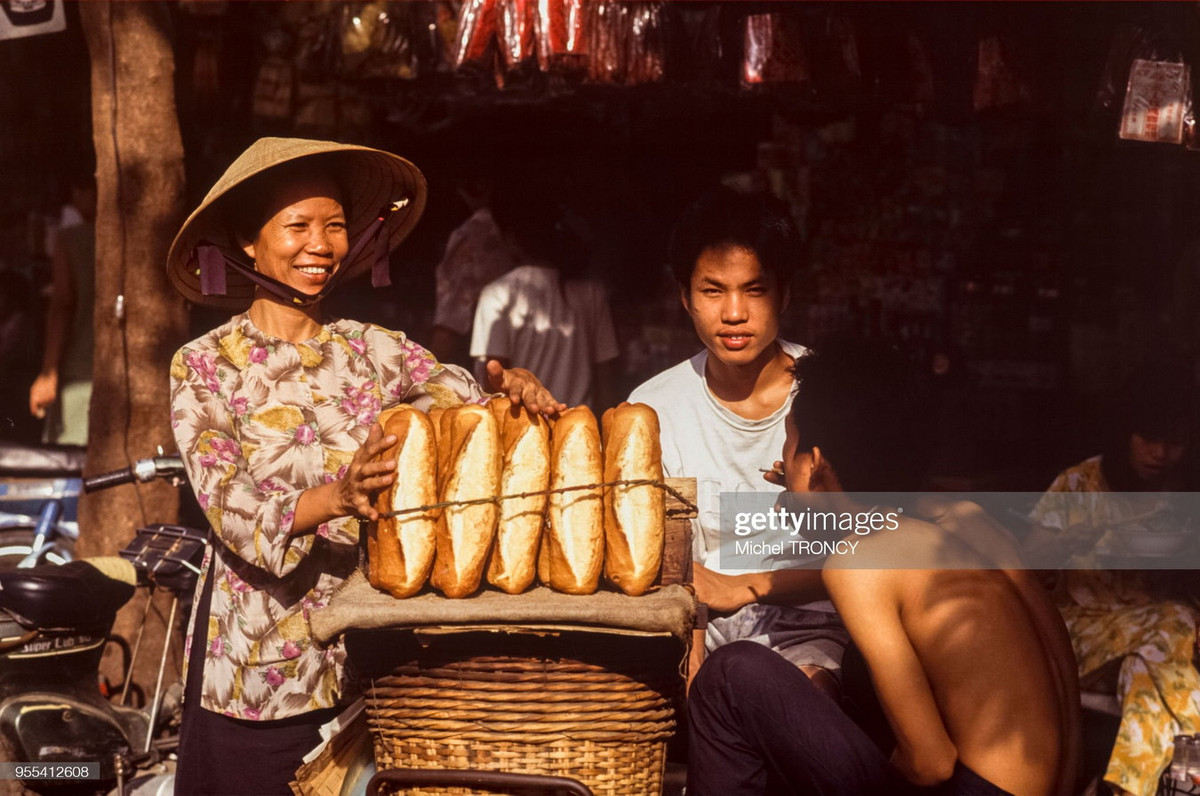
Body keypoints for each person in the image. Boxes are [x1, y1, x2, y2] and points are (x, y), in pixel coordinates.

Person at [165, 137, 562, 795]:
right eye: (297, 226)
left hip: (371, 661)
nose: (319, 245)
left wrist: (509, 391)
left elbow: (463, 402)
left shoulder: (374, 350)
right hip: (261, 668)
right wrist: (339, 498)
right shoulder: (205, 364)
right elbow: (232, 510)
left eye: (335, 225)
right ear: (248, 240)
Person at [687, 340, 1081, 796]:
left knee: (732, 675)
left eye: (789, 447)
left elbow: (930, 763)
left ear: (815, 463)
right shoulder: (965, 521)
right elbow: (1059, 664)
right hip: (1049, 783)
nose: (783, 465)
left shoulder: (859, 562)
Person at [627, 187, 844, 691]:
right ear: (685, 297)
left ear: (785, 294)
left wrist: (742, 585)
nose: (733, 313)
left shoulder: (831, 394)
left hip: (824, 625)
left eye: (755, 290)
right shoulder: (653, 409)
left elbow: (883, 545)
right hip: (701, 632)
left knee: (804, 699)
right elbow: (673, 568)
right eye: (712, 291)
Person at [1026, 361, 1199, 796]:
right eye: (1149, 438)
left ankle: (1122, 788)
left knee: (1151, 667)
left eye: (1175, 442)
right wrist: (1066, 542)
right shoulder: (1080, 483)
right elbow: (1024, 568)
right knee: (1175, 621)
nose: (1160, 453)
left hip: (1157, 643)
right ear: (1125, 432)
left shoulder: (1184, 491)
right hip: (1079, 638)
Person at [470, 188, 620, 411]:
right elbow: (606, 380)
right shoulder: (591, 292)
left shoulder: (497, 293)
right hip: (577, 424)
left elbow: (492, 380)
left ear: (511, 238)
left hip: (525, 425)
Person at [28, 175, 96, 445]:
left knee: (73, 459)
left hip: (81, 370)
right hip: (116, 370)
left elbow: (62, 304)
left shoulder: (72, 240)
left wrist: (49, 372)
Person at [427, 172, 516, 367]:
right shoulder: (508, 232)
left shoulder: (476, 232)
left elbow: (452, 317)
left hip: (488, 354)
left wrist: (426, 374)